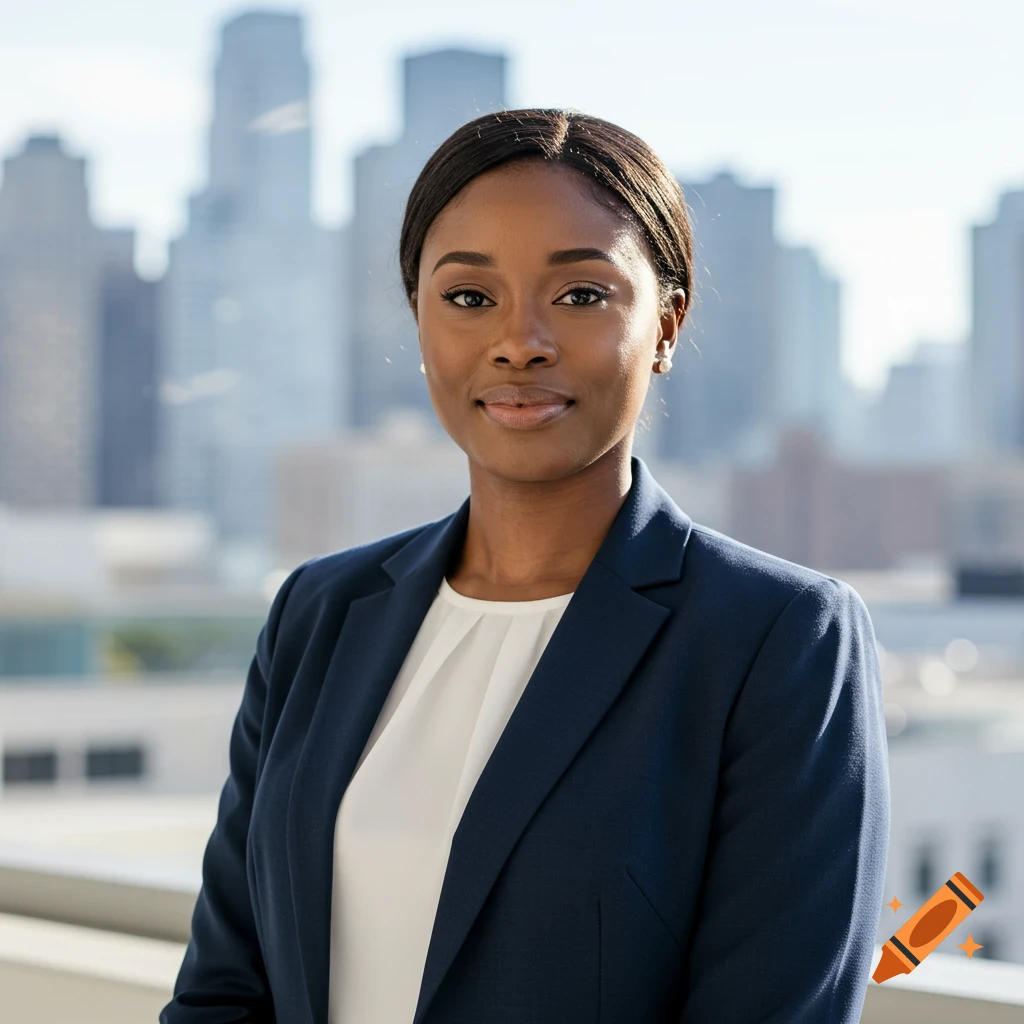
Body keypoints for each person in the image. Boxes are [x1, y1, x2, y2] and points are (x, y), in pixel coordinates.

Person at [160, 108, 890, 1024]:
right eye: (469, 298)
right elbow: (226, 987)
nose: (520, 341)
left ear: (667, 324)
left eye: (581, 295)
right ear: (419, 324)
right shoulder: (320, 610)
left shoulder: (777, 639)